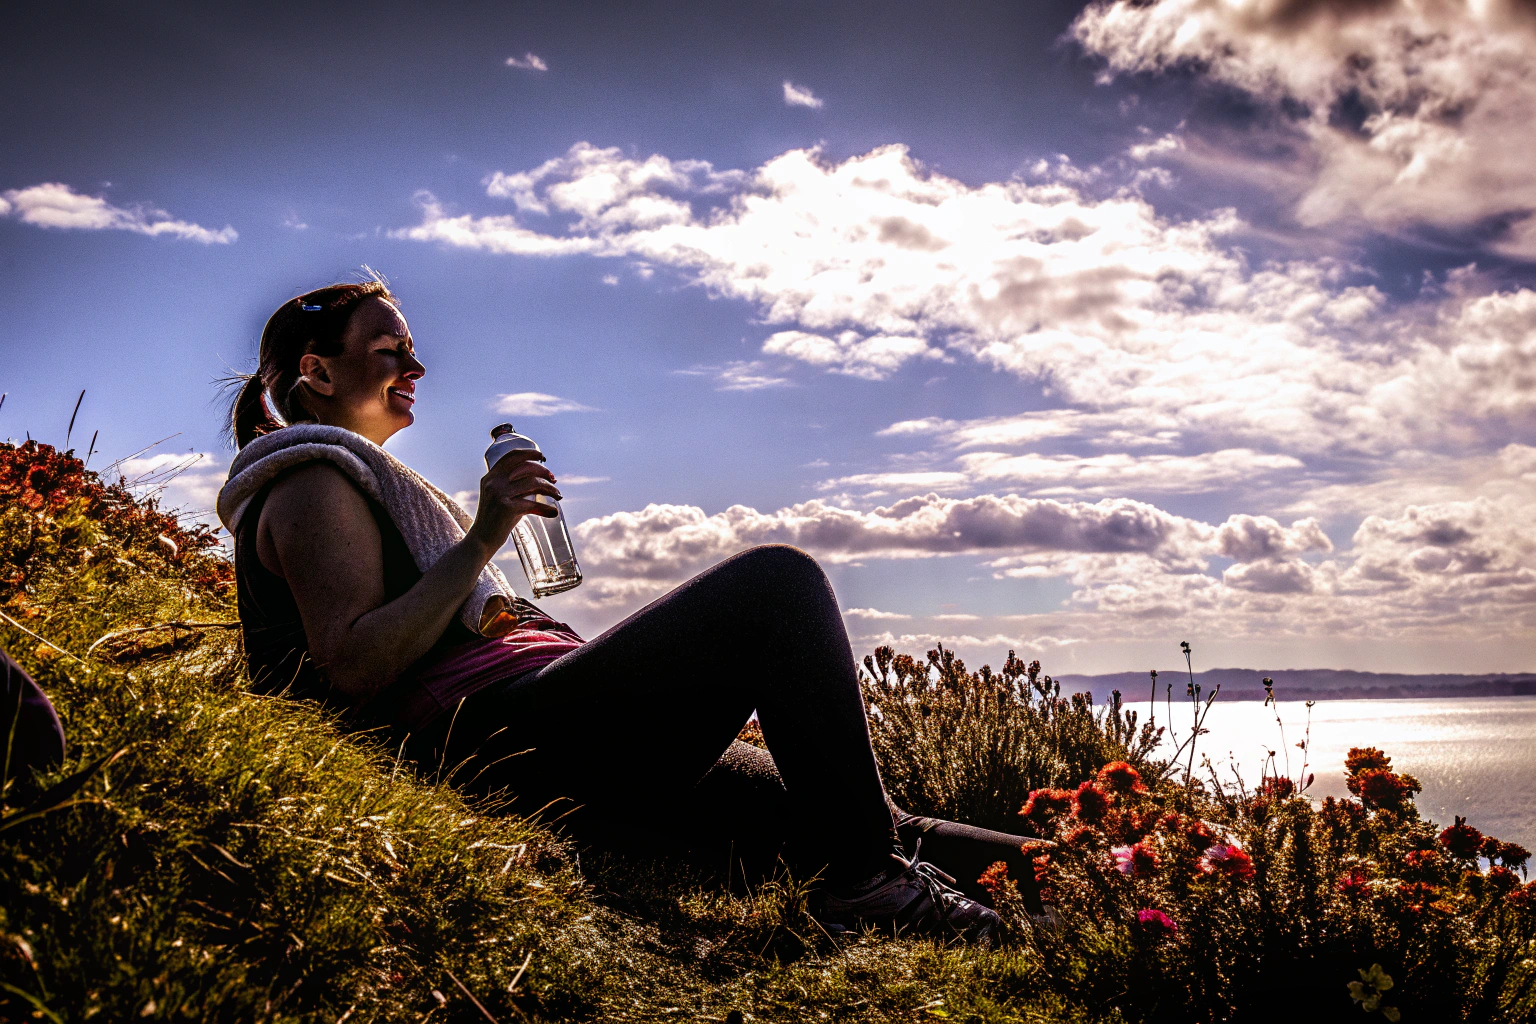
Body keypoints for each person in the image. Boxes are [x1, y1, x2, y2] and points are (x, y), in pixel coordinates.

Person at [224, 277, 1015, 943]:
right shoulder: (310, 484)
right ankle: (867, 894)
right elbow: (353, 665)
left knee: (859, 822)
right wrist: (485, 535)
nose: (417, 365)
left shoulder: (369, 485)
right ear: (318, 374)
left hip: (546, 724)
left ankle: (1104, 880)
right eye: (391, 349)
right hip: (506, 745)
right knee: (776, 585)